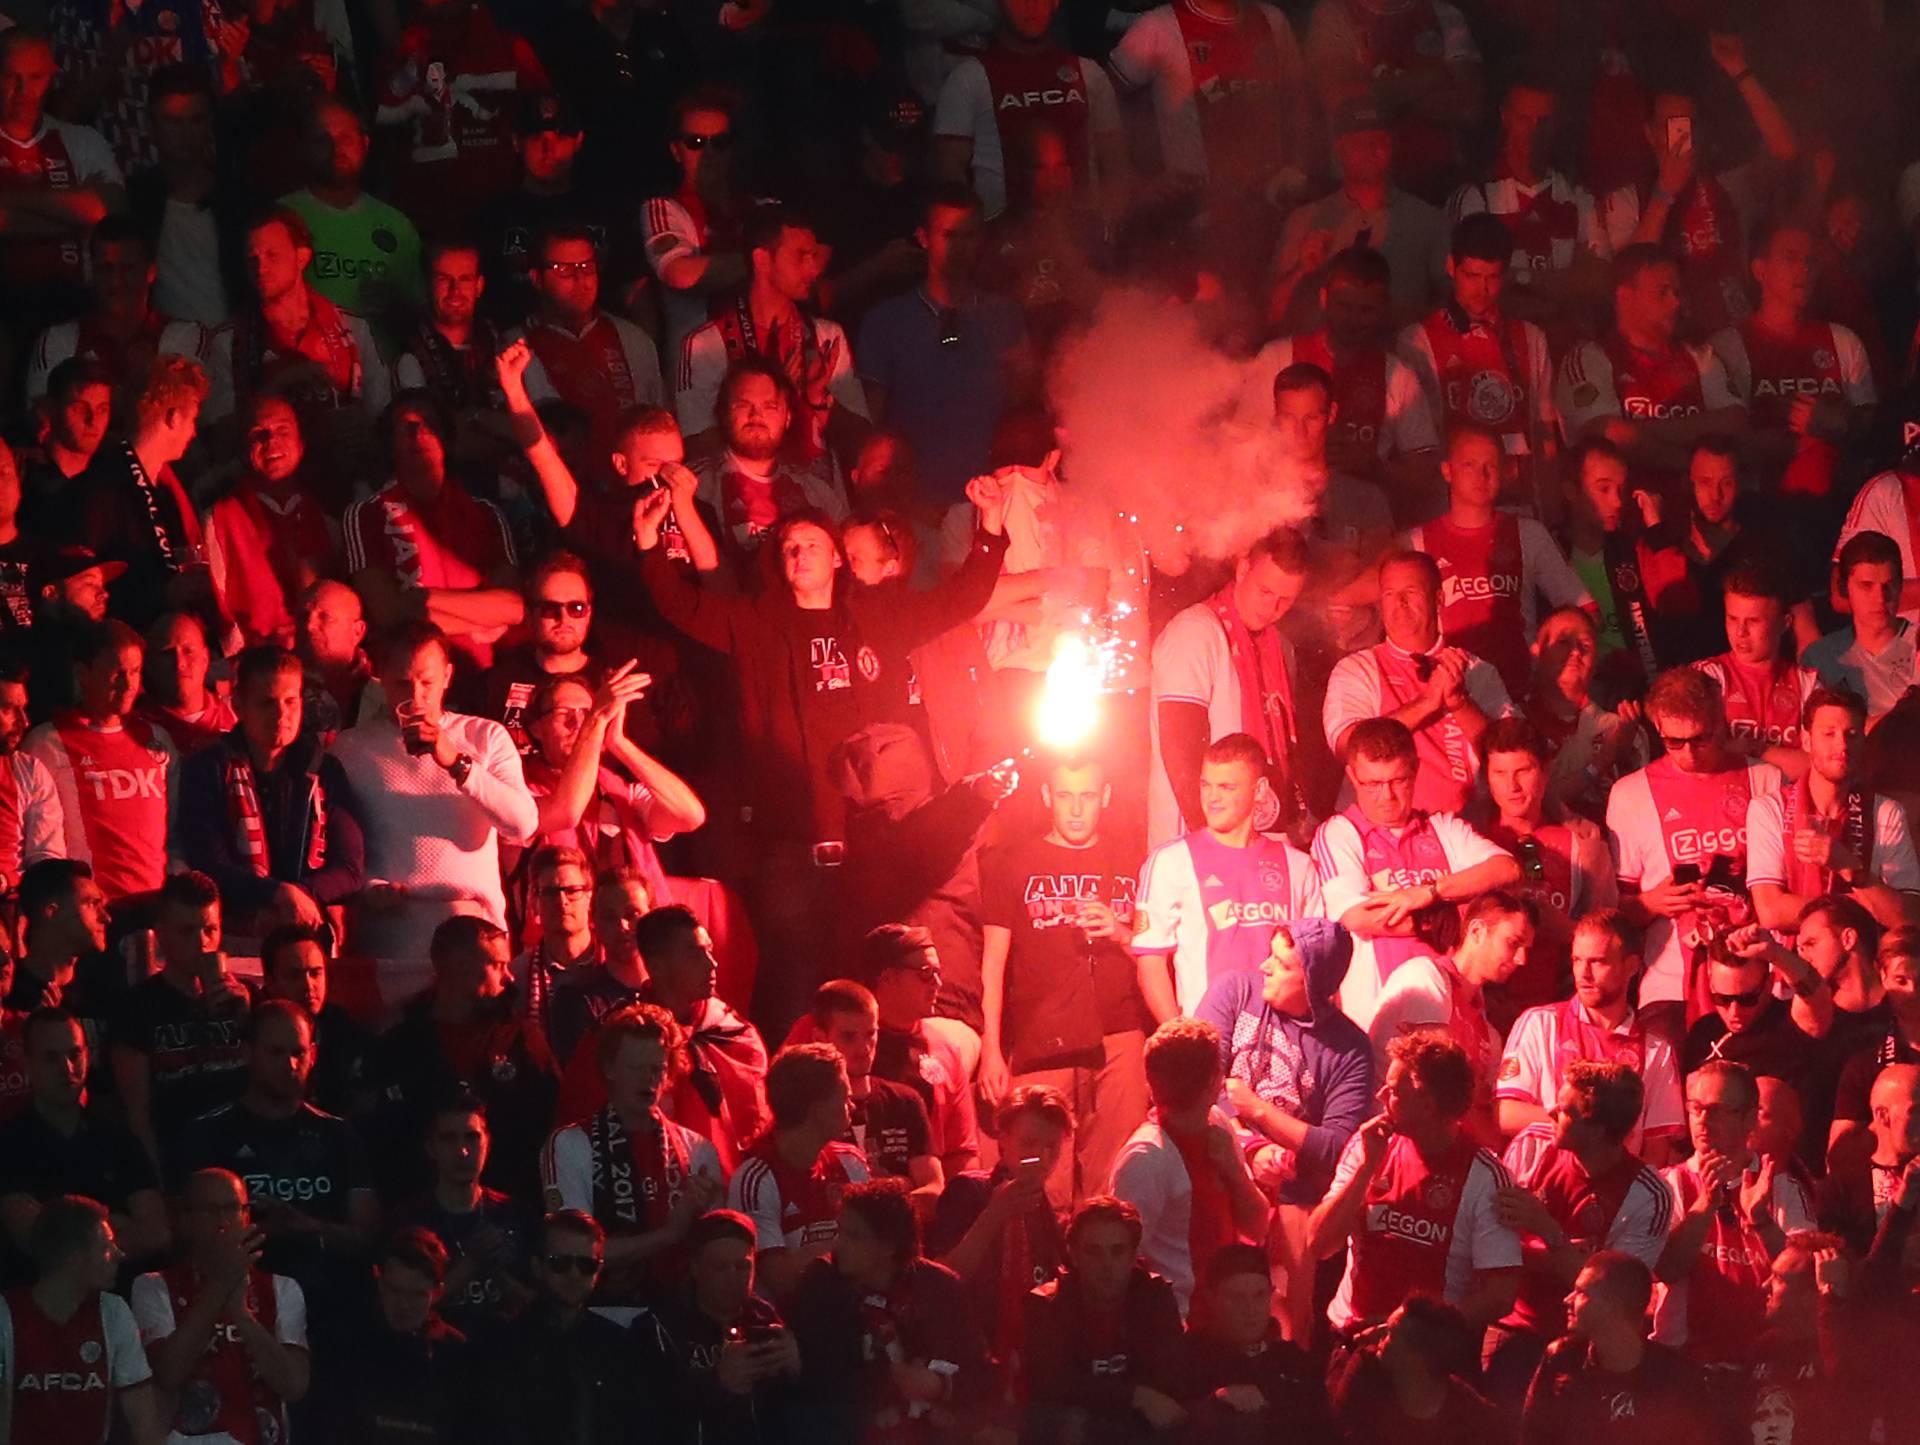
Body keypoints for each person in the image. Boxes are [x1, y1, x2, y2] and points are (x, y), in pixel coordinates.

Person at [634, 462, 1010, 1029]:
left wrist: (990, 528)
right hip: (792, 855)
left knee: (871, 997)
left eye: (811, 544)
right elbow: (681, 606)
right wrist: (648, 545)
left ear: (837, 558)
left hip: (874, 850)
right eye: (788, 547)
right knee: (791, 995)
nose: (798, 555)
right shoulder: (758, 622)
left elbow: (961, 598)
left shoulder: (876, 616)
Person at [328, 623, 537, 1008]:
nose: (416, 696)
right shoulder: (351, 749)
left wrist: (457, 763)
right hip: (392, 929)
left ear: (448, 676)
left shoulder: (485, 737)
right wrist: (367, 888)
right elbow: (337, 844)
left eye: (426, 682)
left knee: (482, 1046)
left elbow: (522, 824)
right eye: (403, 684)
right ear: (381, 680)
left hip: (475, 927)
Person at [978, 754, 1148, 1201]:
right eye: (1066, 796)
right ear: (1047, 797)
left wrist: (1120, 932)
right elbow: (993, 963)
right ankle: (1041, 1270)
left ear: (1105, 798)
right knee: (1039, 1182)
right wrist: (991, 1049)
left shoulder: (1134, 862)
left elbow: (1156, 955)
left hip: (1119, 1035)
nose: (1076, 809)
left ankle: (1107, 1267)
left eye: (1088, 796)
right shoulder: (1012, 861)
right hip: (1042, 1038)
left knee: (1116, 1181)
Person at [1193, 918, 1370, 1337]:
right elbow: (1199, 1079)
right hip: (1219, 1166)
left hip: (1294, 1190)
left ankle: (1287, 1365)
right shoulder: (1235, 990)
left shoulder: (1348, 1047)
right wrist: (1254, 1146)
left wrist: (1260, 1111)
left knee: (1287, 1310)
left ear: (1312, 982)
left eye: (1282, 963)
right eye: (1270, 954)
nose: (1265, 966)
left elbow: (1339, 1146)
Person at [172, 1000, 378, 1328]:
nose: (290, 1064)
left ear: (313, 1053)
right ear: (248, 1052)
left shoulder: (338, 1134)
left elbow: (367, 1237)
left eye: (299, 1052)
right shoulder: (207, 1133)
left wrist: (310, 1227)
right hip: (241, 1310)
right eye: (276, 1052)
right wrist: (256, 1231)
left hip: (332, 1307)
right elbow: (185, 1237)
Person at [1311, 1028, 1523, 1336]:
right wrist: (1367, 1168)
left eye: (1394, 1091)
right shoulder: (1368, 1145)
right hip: (1350, 1335)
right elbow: (1318, 1244)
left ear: (1427, 1103)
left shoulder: (1485, 1176)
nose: (1381, 1096)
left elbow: (1501, 1295)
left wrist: (1417, 1335)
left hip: (1428, 1356)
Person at [1312, 716, 1519, 1027]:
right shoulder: (1339, 832)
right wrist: (1448, 916)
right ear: (1352, 777)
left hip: (1454, 1012)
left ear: (1415, 770)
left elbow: (1508, 868)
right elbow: (1358, 917)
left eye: (1398, 781)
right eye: (1373, 784)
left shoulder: (1443, 827)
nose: (1387, 796)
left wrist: (1427, 893)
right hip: (1375, 1016)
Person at [1607, 664, 1783, 1022]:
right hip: (1671, 985)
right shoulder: (1629, 794)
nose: (1689, 752)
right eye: (1675, 741)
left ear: (1719, 722)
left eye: (1700, 738)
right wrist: (1650, 903)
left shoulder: (1764, 779)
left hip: (1756, 983)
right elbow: (1610, 915)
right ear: (1657, 728)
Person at [1485, 1063, 1671, 1401]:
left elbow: (1613, 1296)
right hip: (1510, 1327)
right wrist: (1570, 1260)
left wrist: (1545, 1228)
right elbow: (1489, 1245)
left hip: (1586, 1347)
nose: (1552, 1112)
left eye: (1567, 1111)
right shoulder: (1533, 1145)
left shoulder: (1648, 1193)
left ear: (1598, 1129)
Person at [1598, 44, 1801, 337]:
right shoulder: (1626, 199)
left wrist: (1740, 71)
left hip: (1735, 335)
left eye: (1687, 125)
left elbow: (1785, 152)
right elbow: (1627, 277)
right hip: (1673, 343)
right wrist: (1664, 195)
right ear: (1650, 134)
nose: (1681, 136)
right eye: (1671, 126)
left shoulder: (1726, 186)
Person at [539, 1003, 724, 1321]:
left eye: (657, 1069)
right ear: (609, 1067)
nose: (648, 1080)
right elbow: (577, 1256)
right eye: (635, 1068)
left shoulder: (698, 1150)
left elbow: (717, 1255)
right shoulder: (571, 1144)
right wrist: (670, 1233)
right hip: (599, 1316)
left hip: (679, 1317)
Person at [857, 185, 1032, 504]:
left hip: (994, 498)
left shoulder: (1005, 316)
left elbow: (1024, 409)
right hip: (916, 504)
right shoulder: (887, 321)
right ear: (923, 238)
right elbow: (872, 427)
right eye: (949, 236)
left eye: (969, 236)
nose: (960, 248)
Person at [176, 645, 365, 939]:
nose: (281, 714)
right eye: (267, 702)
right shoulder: (207, 767)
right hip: (234, 929)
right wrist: (275, 894)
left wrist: (299, 896)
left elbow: (350, 868)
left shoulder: (324, 769)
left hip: (307, 927)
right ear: (238, 705)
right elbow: (208, 862)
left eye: (291, 701)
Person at [1133, 731, 1323, 1020]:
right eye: (1206, 785)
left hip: (1286, 1038)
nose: (1212, 798)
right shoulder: (1170, 860)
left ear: (1259, 790)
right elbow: (1151, 961)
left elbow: (1317, 961)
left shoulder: (1298, 865)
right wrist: (1181, 1038)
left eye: (1226, 787)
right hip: (1210, 1039)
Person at [367, 916, 558, 1203]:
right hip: (421, 1214)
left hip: (510, 1210)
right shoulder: (400, 1048)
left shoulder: (521, 1040)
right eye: (497, 965)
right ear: (458, 967)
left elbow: (552, 1120)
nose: (510, 977)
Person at [785, 1176, 982, 1440]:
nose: (838, 1244)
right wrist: (891, 1381)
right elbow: (818, 1379)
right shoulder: (821, 1287)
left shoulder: (939, 1288)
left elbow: (982, 1372)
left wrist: (938, 1385)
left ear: (888, 1246)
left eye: (854, 1236)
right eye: (839, 1231)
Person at [1149, 527, 1310, 845]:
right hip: (1199, 842)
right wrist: (1211, 844)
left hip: (1261, 836)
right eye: (1265, 592)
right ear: (1242, 568)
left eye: (1285, 600)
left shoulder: (1279, 646)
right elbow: (1181, 750)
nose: (1272, 608)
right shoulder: (1196, 633)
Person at [344, 391, 523, 675]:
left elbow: (513, 607)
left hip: (479, 675)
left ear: (446, 438)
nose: (420, 433)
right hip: (406, 679)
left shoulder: (486, 513)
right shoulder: (366, 514)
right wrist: (481, 620)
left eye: (430, 424)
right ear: (389, 443)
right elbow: (386, 612)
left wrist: (420, 598)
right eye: (407, 427)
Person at [1403, 425, 1590, 695]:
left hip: (1518, 697)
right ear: (1447, 470)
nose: (1482, 474)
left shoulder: (1528, 533)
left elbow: (1583, 611)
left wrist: (1549, 664)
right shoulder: (1416, 542)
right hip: (1449, 696)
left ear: (1504, 471)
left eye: (1491, 465)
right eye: (1469, 464)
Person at [1252, 247, 1442, 512]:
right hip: (1277, 514)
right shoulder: (1277, 358)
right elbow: (1241, 446)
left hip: (1361, 522)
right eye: (1344, 306)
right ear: (1324, 298)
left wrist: (1372, 466)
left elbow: (1426, 474)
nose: (1352, 320)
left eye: (1365, 310)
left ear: (1384, 307)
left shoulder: (1397, 376)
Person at [129, 1167, 310, 1445]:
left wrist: (242, 1315)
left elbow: (294, 1385)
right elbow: (168, 1374)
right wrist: (219, 1288)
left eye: (232, 1209)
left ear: (246, 1214)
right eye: (210, 1211)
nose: (223, 1221)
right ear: (185, 1220)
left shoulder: (282, 1288)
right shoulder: (153, 1286)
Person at [1324, 548, 1511, 816]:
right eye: (1389, 594)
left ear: (1438, 598)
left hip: (1464, 830)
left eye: (1410, 592)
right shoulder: (1356, 669)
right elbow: (1349, 748)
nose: (1399, 603)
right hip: (1379, 836)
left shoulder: (1478, 670)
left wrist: (1460, 703)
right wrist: (1427, 703)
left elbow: (1512, 755)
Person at [1653, 1060, 1815, 1367]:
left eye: (1716, 1111)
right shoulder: (1668, 1183)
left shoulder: (1783, 1188)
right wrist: (1704, 1206)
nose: (1702, 1121)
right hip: (1682, 1364)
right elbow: (1665, 1269)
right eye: (1695, 1108)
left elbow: (1804, 1279)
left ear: (1750, 1119)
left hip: (1762, 1364)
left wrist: (1762, 1223)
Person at [673, 204, 868, 458]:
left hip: (819, 495)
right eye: (801, 256)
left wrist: (819, 400)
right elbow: (699, 448)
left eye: (814, 256)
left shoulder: (827, 336)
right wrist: (777, 395)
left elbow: (864, 446)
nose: (814, 269)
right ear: (762, 260)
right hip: (741, 495)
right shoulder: (706, 344)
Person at [1397, 216, 1560, 518]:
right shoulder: (1418, 341)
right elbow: (1418, 443)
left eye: (1493, 277)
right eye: (1472, 275)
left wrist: (1551, 507)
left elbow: (1544, 431)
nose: (1481, 289)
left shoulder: (1530, 337)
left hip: (1522, 508)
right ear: (1450, 267)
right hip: (1451, 510)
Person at [1497, 909, 1684, 1163]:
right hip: (1540, 1190)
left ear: (1631, 966)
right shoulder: (1540, 1023)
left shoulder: (1656, 1050)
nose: (1583, 974)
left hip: (1615, 1197)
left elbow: (1656, 1152)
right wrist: (1581, 1127)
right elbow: (1505, 1114)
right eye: (1576, 960)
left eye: (1597, 961)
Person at [1109, 1017, 1268, 1316]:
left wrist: (1234, 1172)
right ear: (1214, 1082)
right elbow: (1120, 1268)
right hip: (1179, 1328)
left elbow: (1257, 1227)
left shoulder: (1217, 1123)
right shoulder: (1147, 1159)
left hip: (1224, 1323)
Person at [1554, 246, 1746, 491]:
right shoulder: (1589, 358)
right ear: (1625, 296)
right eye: (1662, 292)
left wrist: (1639, 432)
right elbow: (1606, 436)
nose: (1676, 302)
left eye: (1677, 292)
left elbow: (1734, 422)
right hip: (1627, 517)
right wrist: (1694, 464)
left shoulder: (1699, 356)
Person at [1709, 219, 1875, 502]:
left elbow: (1875, 427)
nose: (1804, 270)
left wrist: (1842, 423)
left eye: (1811, 261)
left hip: (1836, 504)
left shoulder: (1843, 341)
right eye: (1790, 259)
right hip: (1759, 506)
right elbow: (1719, 443)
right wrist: (1804, 442)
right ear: (1759, 270)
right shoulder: (1726, 346)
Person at [462, 1210, 655, 1445]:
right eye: (559, 1263)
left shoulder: (619, 1346)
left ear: (598, 1270)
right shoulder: (498, 1345)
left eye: (586, 1265)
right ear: (536, 1265)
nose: (574, 1274)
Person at [207, 207, 389, 454]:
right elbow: (220, 437)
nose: (261, 268)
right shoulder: (227, 340)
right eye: (253, 259)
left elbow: (384, 413)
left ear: (302, 258)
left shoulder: (354, 327)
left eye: (272, 255)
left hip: (348, 475)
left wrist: (366, 430)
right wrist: (280, 385)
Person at [0, 1008, 168, 1270]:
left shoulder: (118, 1137)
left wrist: (59, 1226)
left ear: (88, 1056)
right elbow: (31, 1239)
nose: (66, 1068)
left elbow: (156, 1234)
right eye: (50, 1058)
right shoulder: (9, 1144)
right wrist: (113, 1223)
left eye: (74, 1054)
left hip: (119, 1302)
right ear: (26, 1063)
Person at [931, 0, 1125, 222]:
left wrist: (1112, 230)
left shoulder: (1090, 73)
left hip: (1084, 242)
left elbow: (1116, 165)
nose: (1031, 5)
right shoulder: (967, 79)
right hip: (1000, 243)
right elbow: (950, 175)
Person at [1747, 686, 1920, 930]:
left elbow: (1908, 917)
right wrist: (1866, 904)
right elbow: (1772, 912)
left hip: (1864, 963)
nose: (1842, 746)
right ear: (1806, 740)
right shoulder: (1768, 809)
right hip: (1794, 962)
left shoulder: (1885, 811)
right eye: (1829, 734)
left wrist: (1848, 867)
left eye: (1852, 734)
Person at [1367, 890, 1537, 1137]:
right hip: (1392, 1144)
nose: (1522, 959)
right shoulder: (1424, 974)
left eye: (1527, 949)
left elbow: (1482, 1111)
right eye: (1514, 943)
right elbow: (1436, 1077)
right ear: (1477, 931)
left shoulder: (1490, 1035)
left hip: (1448, 1152)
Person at [1019, 1195, 1187, 1443]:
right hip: (1076, 1424)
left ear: (1133, 1256)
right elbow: (1050, 1384)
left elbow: (1168, 1375)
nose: (1106, 1264)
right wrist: (1133, 1395)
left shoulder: (1155, 1297)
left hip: (1137, 1424)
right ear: (1074, 1255)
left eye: (1117, 1251)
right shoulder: (1045, 1305)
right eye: (1093, 1251)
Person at [111, 872, 250, 1172]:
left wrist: (250, 1021)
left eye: (210, 930)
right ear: (161, 934)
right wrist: (158, 1184)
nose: (202, 943)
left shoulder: (245, 1001)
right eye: (187, 931)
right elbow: (138, 1113)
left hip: (244, 1158)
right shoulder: (138, 1007)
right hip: (179, 1159)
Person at [1477, 718, 1616, 1021]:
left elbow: (1610, 936)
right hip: (1484, 1009)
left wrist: (1564, 930)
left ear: (1545, 770)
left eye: (1523, 771)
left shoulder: (1584, 843)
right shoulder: (1466, 840)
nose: (1512, 786)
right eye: (1499, 773)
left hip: (1559, 1010)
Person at [1447, 74, 1609, 331]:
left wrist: (1522, 280)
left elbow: (1597, 279)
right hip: (1499, 342)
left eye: (1543, 122)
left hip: (1565, 336)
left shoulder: (1577, 195)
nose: (1534, 131)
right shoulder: (1476, 194)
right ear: (1505, 117)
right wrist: (1561, 283)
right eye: (1524, 119)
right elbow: (1475, 288)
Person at [926, 1084, 1070, 1372]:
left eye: (1052, 1146)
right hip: (971, 1352)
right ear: (1003, 1140)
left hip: (1029, 1356)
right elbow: (941, 1278)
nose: (1041, 1156)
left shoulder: (1042, 1203)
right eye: (1029, 1143)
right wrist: (994, 1214)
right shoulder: (969, 1191)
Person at [65, 354, 213, 632]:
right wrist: (162, 595)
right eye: (193, 420)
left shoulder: (164, 488)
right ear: (173, 417)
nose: (194, 433)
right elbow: (86, 587)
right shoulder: (104, 488)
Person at [0, 1194, 163, 1445]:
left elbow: (144, 1423)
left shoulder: (113, 1313)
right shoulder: (6, 1315)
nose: (119, 1254)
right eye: (107, 1246)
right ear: (74, 1256)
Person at [373, 0, 549, 228]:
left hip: (502, 216)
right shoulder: (401, 51)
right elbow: (382, 140)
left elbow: (543, 122)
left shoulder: (510, 49)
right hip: (422, 217)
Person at [1270, 103, 1446, 330]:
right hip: (1321, 359)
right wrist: (1301, 272)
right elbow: (1272, 314)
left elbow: (1450, 305)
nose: (1369, 150)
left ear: (1392, 148)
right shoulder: (1304, 221)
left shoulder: (1427, 221)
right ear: (1339, 149)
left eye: (1378, 142)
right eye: (1358, 143)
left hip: (1400, 357)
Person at [633, 1208, 799, 1445]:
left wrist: (797, 1368)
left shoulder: (765, 1318)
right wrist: (718, 1384)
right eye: (719, 1267)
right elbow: (647, 1415)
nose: (733, 1277)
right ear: (695, 1268)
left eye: (742, 1266)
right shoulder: (658, 1327)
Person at [0, 29, 126, 335]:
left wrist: (10, 200)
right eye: (11, 77)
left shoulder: (80, 140)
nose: (23, 90)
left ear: (51, 76)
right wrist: (76, 214)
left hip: (73, 312)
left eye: (35, 77)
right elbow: (93, 214)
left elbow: (111, 210)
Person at [519, 221, 666, 480]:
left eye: (587, 267)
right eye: (564, 269)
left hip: (630, 496)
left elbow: (659, 423)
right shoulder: (514, 349)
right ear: (536, 278)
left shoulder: (633, 340)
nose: (580, 279)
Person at [725, 1043, 870, 1302]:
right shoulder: (755, 1178)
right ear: (816, 1108)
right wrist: (852, 1246)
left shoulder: (852, 1161)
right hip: (791, 1327)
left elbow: (882, 1257)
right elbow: (778, 1277)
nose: (852, 1107)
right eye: (844, 1098)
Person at [1519, 1251, 1711, 1444]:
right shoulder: (1563, 1359)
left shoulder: (1676, 1377)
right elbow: (1532, 1436)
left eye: (1581, 1292)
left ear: (1614, 1305)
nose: (1567, 1300)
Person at [200, 395, 340, 650]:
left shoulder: (327, 521)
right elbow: (215, 612)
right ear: (244, 449)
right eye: (259, 433)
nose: (271, 441)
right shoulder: (220, 520)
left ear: (301, 443)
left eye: (282, 430)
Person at [23, 219, 214, 402]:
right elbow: (45, 420)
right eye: (105, 268)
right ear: (91, 272)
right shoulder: (58, 339)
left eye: (128, 268)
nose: (116, 281)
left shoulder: (186, 335)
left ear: (151, 271)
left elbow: (181, 414)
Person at [308, 1228, 468, 1445]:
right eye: (395, 1290)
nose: (404, 1305)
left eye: (416, 1295)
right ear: (379, 1280)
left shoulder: (456, 1352)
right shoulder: (342, 1341)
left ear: (437, 1292)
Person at [393, 1095, 536, 1337]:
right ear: (431, 1147)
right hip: (439, 1354)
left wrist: (500, 1274)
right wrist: (471, 1263)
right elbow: (403, 1307)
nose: (462, 1151)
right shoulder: (410, 1221)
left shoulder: (516, 1215)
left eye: (472, 1137)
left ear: (487, 1143)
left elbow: (543, 1305)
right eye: (449, 1139)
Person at [278, 96, 423, 335]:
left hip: (384, 368)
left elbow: (421, 311)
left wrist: (397, 307)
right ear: (303, 148)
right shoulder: (281, 219)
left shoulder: (397, 225)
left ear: (364, 144)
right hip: (308, 367)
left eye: (345, 137)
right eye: (322, 139)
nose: (336, 148)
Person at [1172, 1242, 1339, 1442]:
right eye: (1236, 1298)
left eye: (1259, 1296)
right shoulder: (1187, 1360)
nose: (1250, 1309)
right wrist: (1214, 1404)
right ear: (1211, 1299)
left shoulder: (1296, 1364)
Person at [691, 357, 849, 561]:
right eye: (743, 404)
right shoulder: (694, 488)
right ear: (723, 413)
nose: (756, 415)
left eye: (770, 406)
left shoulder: (819, 494)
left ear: (788, 417)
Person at [861, 926, 980, 1175]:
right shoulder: (835, 1032)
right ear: (887, 977)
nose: (937, 983)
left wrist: (959, 1203)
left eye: (938, 973)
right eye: (926, 974)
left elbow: (962, 1152)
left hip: (925, 1197)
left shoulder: (944, 1048)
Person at [641, 88, 750, 359]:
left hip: (759, 369)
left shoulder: (760, 207)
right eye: (696, 141)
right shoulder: (664, 209)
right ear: (676, 150)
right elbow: (680, 273)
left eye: (720, 142)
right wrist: (764, 260)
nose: (709, 152)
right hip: (697, 368)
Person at [807, 981, 941, 1198]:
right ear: (820, 1038)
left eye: (870, 1034)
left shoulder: (905, 1102)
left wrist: (865, 1200)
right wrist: (900, 1186)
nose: (864, 1047)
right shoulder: (810, 1108)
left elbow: (934, 1192)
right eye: (849, 1036)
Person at [1692, 561, 1817, 780]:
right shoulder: (1706, 676)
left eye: (1753, 621)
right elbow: (1697, 758)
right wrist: (1781, 757)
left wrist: (1755, 749)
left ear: (1785, 622)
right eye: (1732, 619)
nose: (1740, 632)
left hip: (1785, 807)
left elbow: (1818, 767)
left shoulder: (1807, 682)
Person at [1521, 606, 1647, 817]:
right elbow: (1535, 801)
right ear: (1536, 651)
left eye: (1585, 645)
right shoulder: (1515, 721)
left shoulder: (1617, 725)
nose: (1576, 652)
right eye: (1563, 642)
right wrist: (1602, 760)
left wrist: (1624, 754)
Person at [1326, 1295, 1504, 1442]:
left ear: (1418, 1358)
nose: (1376, 1337)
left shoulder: (1467, 1413)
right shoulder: (1366, 1369)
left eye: (1390, 1334)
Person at [1805, 530, 1918, 721]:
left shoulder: (1917, 643)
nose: (1880, 598)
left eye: (1888, 585)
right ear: (1843, 587)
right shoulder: (1820, 657)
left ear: (1900, 586)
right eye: (1866, 586)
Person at [134, 613, 236, 759]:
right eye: (167, 653)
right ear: (149, 663)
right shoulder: (135, 728)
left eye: (188, 651)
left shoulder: (237, 715)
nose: (179, 663)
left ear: (205, 659)